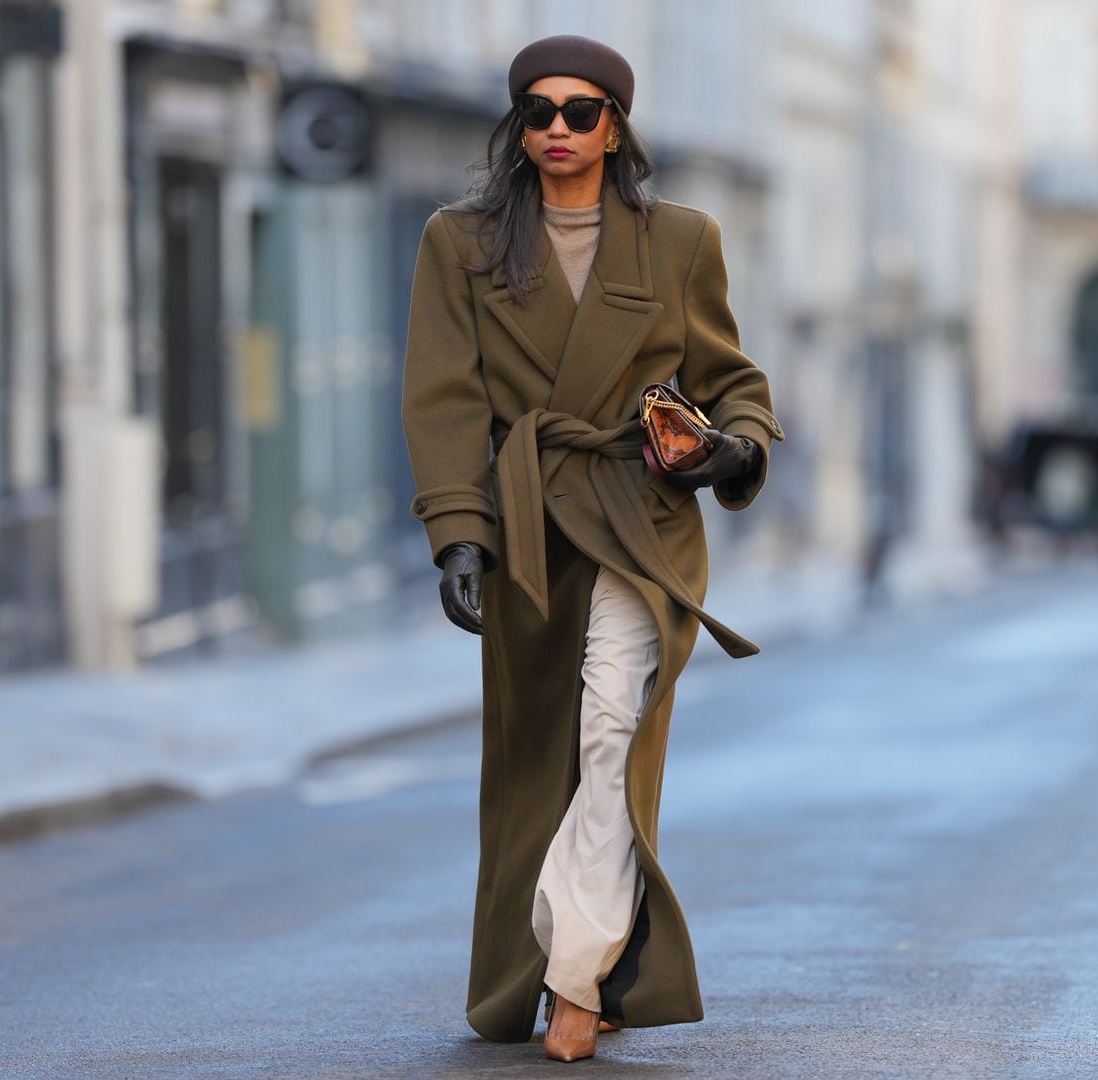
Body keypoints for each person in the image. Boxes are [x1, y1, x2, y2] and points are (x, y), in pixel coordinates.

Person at [399, 34, 784, 1063]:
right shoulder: (458, 241)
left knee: (612, 727)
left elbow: (731, 380)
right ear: (518, 126)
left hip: (641, 514)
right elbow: (443, 401)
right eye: (538, 111)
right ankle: (567, 966)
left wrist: (735, 446)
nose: (558, 128)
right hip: (530, 521)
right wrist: (458, 534)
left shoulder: (681, 240)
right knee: (537, 759)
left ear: (616, 126)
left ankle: (576, 979)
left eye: (581, 111)